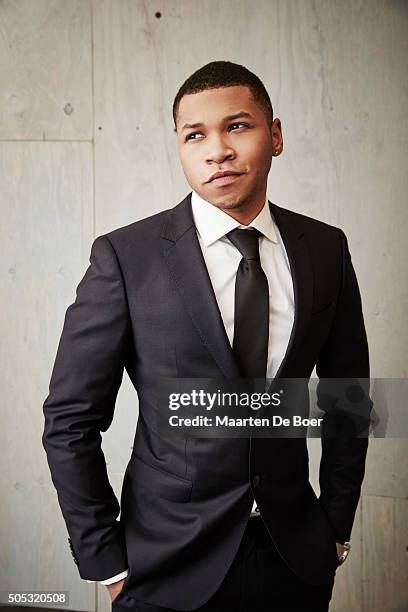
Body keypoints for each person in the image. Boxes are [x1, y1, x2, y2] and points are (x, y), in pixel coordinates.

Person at [42, 60, 371, 611]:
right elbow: (70, 420)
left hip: (295, 557)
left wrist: (335, 529)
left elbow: (349, 401)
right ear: (180, 147)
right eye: (195, 135)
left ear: (276, 135)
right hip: (164, 562)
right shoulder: (125, 258)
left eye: (237, 126)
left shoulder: (325, 249)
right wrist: (106, 558)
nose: (216, 149)